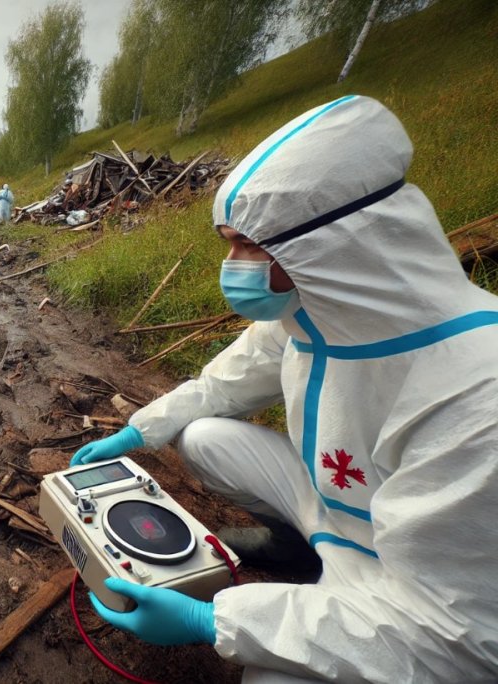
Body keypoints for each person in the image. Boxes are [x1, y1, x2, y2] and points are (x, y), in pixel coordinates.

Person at [71, 96, 498, 682]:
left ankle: (319, 579)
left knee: (265, 676)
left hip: (403, 592)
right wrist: (139, 430)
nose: (232, 265)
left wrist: (213, 620)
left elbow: (452, 641)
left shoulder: (479, 392)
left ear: (329, 248)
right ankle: (298, 547)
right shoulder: (313, 318)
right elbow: (222, 383)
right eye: (229, 243)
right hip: (340, 512)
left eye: (248, 245)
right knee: (202, 437)